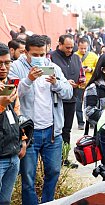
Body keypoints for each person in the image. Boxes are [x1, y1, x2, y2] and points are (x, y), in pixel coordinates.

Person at [8, 34, 73, 205]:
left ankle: (48, 202)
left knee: (53, 171)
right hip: (27, 133)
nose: (39, 59)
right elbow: (12, 95)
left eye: (42, 54)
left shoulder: (53, 68)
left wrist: (56, 84)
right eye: (35, 55)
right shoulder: (16, 67)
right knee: (28, 176)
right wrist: (28, 79)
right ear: (26, 53)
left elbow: (68, 92)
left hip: (52, 131)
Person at [50, 34, 83, 168]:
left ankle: (64, 158)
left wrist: (79, 82)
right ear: (60, 44)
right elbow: (47, 76)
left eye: (71, 47)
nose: (70, 50)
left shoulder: (76, 58)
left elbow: (81, 74)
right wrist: (63, 83)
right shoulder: (51, 57)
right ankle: (54, 159)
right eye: (67, 47)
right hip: (56, 99)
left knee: (67, 130)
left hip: (71, 98)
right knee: (55, 129)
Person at [0, 42, 25, 205]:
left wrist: (23, 140)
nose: (3, 67)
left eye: (7, 63)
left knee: (5, 201)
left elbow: (17, 116)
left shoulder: (10, 85)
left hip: (12, 155)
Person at [75, 38, 98, 130]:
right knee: (78, 104)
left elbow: (98, 68)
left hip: (90, 84)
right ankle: (81, 122)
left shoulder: (93, 56)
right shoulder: (75, 56)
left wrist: (90, 69)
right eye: (81, 48)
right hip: (79, 85)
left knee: (91, 105)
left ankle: (92, 121)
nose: (83, 50)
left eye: (85, 48)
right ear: (78, 46)